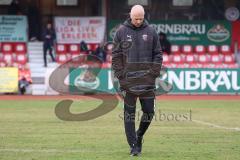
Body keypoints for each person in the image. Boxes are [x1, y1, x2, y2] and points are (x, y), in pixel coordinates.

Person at [112, 5, 162, 156]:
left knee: (149, 112)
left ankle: (139, 135)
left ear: (144, 16)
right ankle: (134, 146)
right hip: (128, 82)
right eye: (136, 19)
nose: (139, 21)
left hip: (148, 82)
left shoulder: (151, 31)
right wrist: (121, 77)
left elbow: (158, 54)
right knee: (129, 115)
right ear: (130, 16)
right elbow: (116, 56)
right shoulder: (121, 31)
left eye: (141, 18)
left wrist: (153, 74)